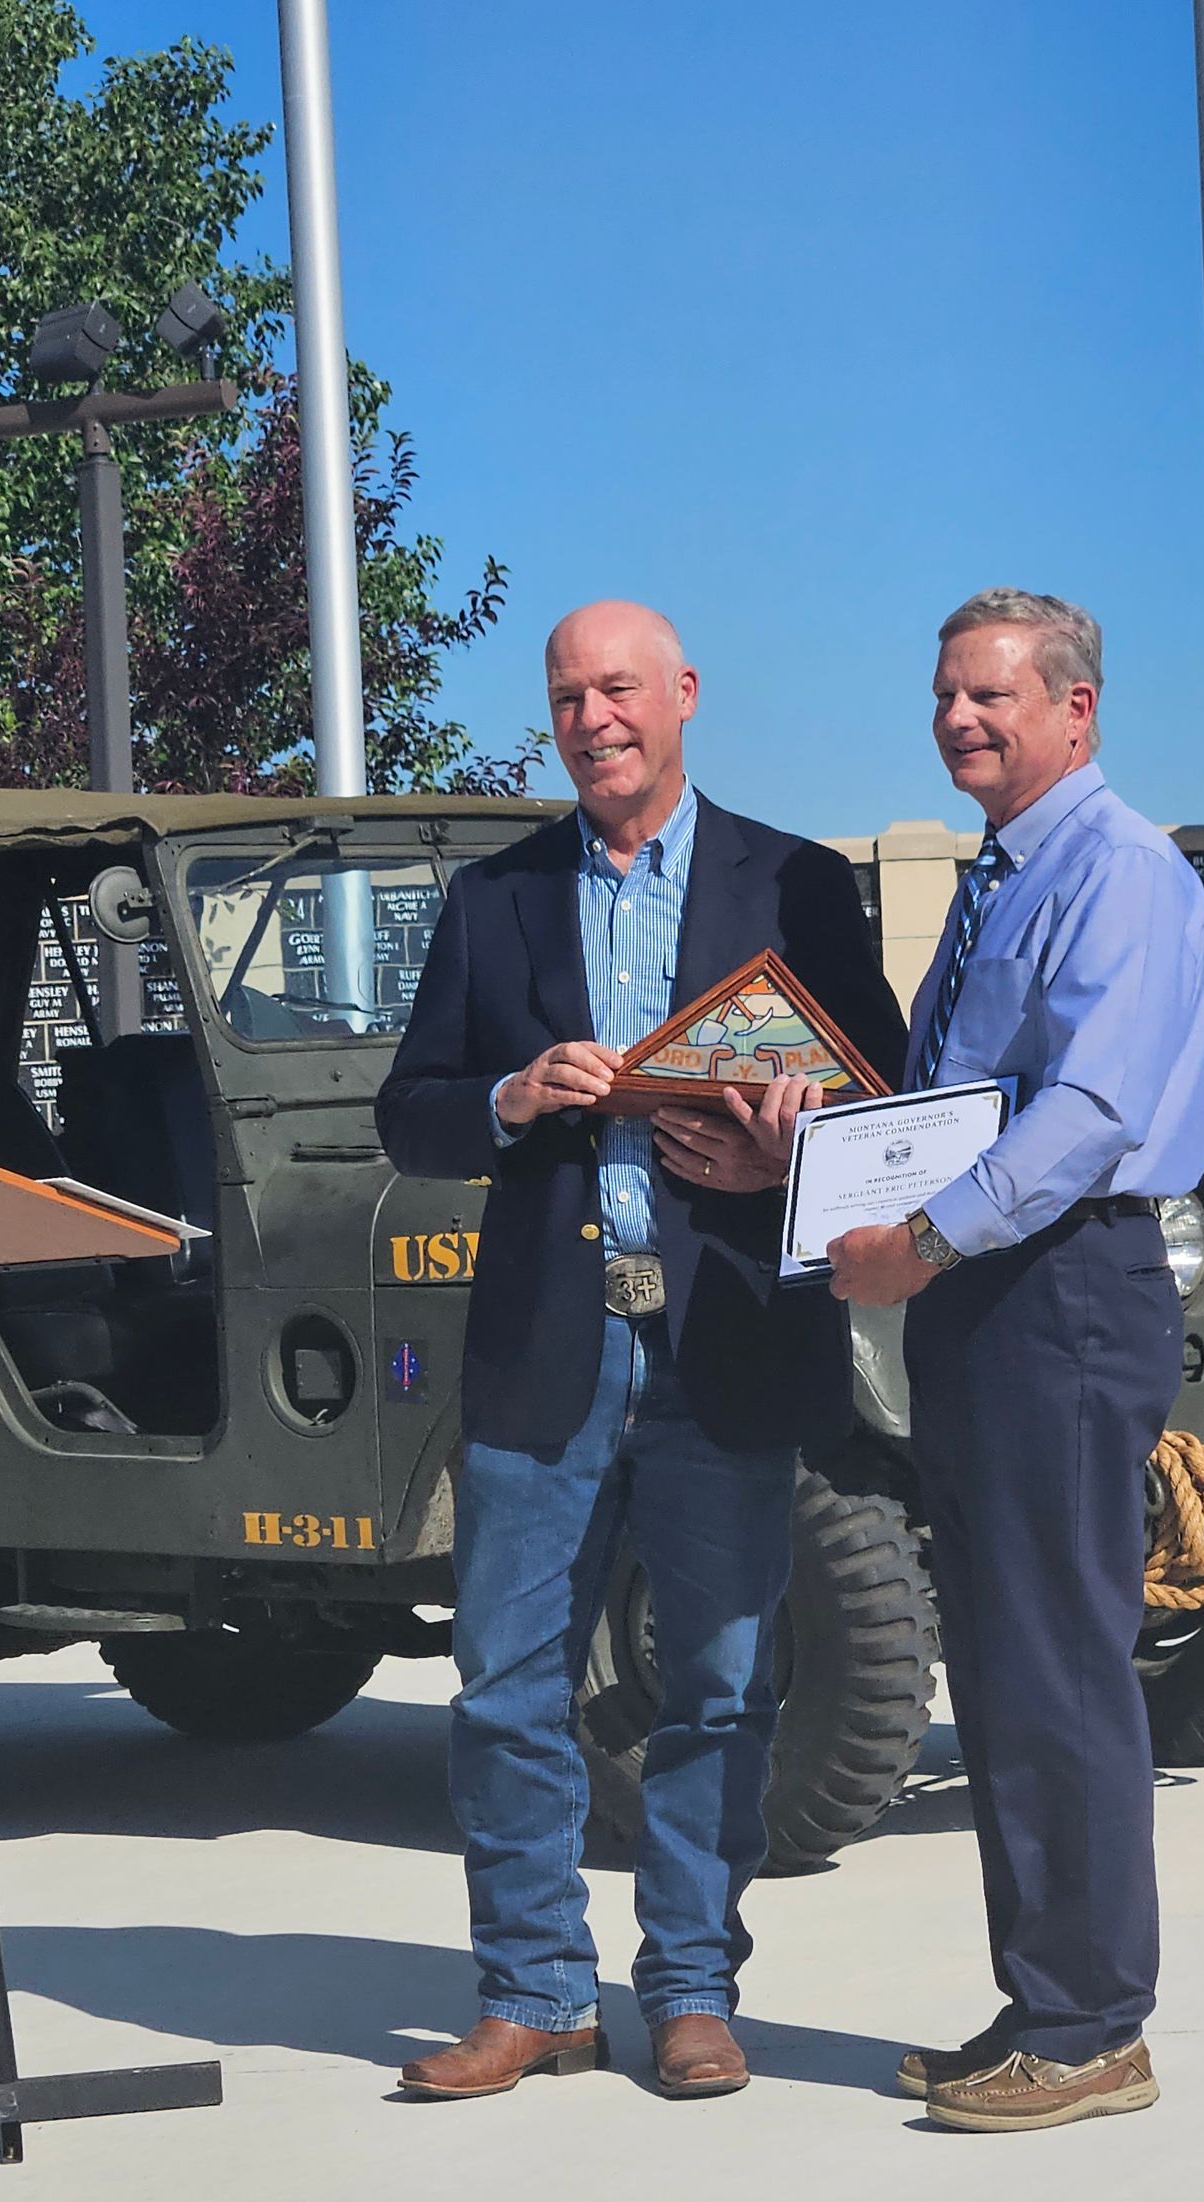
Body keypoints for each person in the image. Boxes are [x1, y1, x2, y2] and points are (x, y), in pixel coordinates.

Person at [376, 600, 905, 2102]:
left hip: (724, 1336)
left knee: (721, 1685)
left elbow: (884, 1107)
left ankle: (688, 1989)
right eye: (565, 697)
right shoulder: (495, 899)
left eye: (617, 688)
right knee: (502, 1684)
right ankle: (535, 1993)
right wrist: (516, 1095)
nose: (592, 717)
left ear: (681, 695)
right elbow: (408, 1115)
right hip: (547, 1344)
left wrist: (794, 1148)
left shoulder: (798, 882)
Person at [826, 588, 1204, 2133]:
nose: (961, 720)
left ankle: (1096, 2027)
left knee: (1056, 1658)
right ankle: (1045, 1998)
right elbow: (958, 1092)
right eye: (945, 696)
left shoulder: (1117, 873)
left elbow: (1088, 1119)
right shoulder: (1004, 876)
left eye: (992, 695)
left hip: (1060, 1287)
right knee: (994, 1665)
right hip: (991, 1302)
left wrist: (919, 1236)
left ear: (1078, 711)